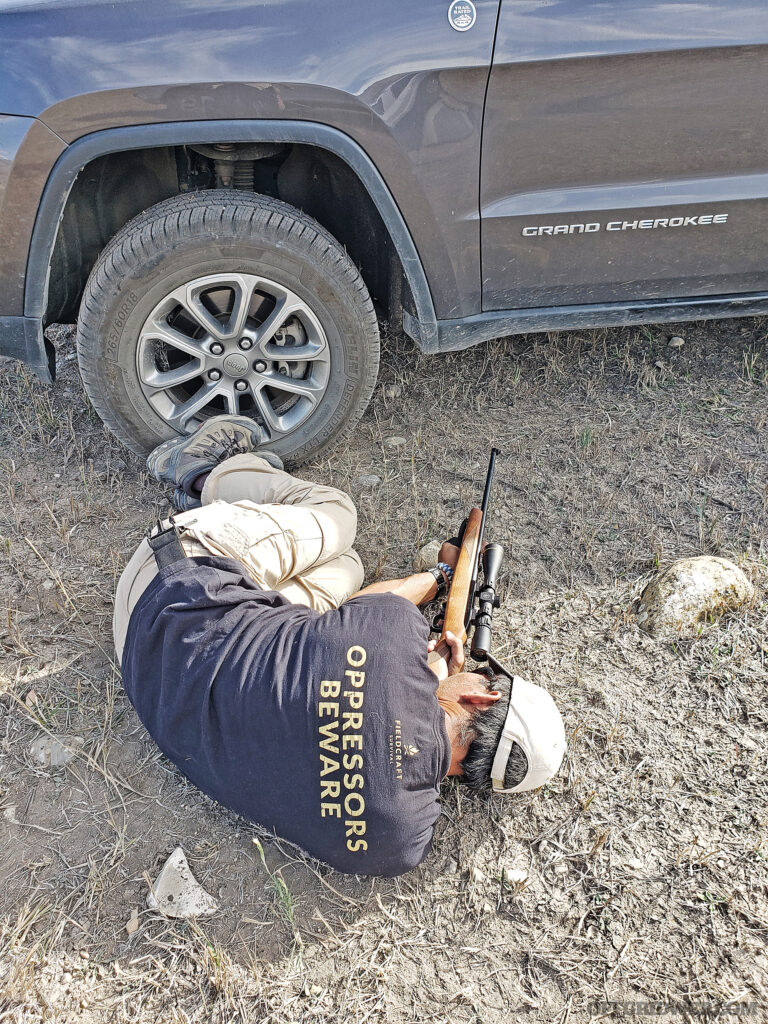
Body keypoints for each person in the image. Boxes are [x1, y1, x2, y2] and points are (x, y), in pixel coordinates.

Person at [114, 416, 566, 877]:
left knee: (338, 515)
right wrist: (424, 678)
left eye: (483, 672)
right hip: (142, 669)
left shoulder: (392, 642)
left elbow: (376, 608)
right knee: (344, 569)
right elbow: (387, 731)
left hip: (174, 580)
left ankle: (203, 473)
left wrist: (439, 579)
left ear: (482, 695)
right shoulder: (404, 841)